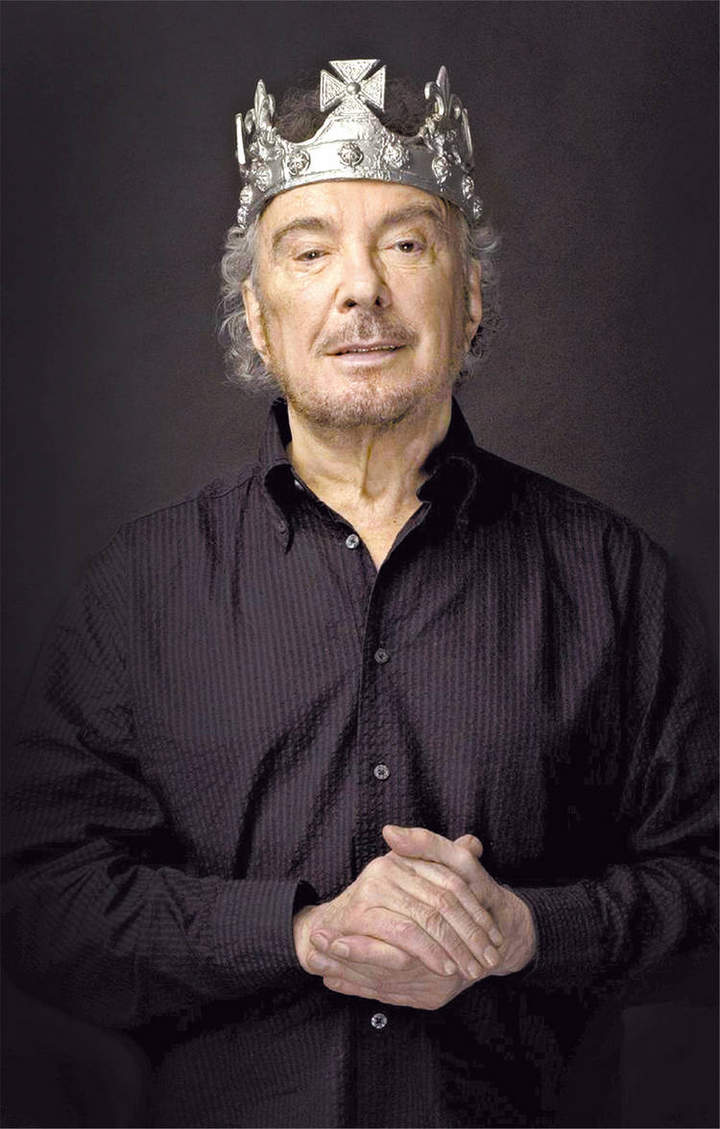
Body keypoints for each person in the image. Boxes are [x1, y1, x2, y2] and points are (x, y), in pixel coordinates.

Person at [3, 58, 716, 1129]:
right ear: (257, 316)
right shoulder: (137, 590)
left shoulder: (615, 580)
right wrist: (294, 933)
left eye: (406, 244)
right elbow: (36, 902)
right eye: (311, 250)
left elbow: (708, 879)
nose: (362, 289)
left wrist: (527, 931)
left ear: (470, 300)